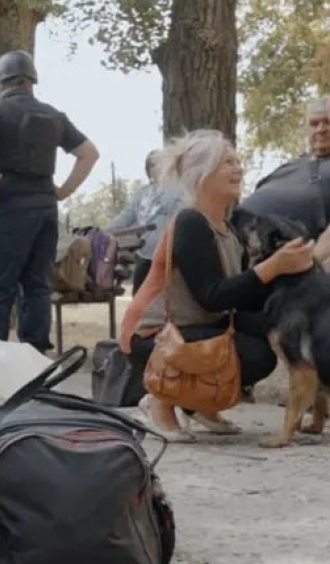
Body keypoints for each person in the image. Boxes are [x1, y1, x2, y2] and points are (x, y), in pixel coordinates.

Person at [119, 129, 315, 442]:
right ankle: (160, 399)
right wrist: (274, 267)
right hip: (153, 336)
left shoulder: (227, 227)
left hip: (194, 326)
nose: (238, 169)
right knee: (253, 355)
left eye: (238, 161)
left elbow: (242, 294)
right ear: (202, 174)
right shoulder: (190, 222)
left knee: (268, 333)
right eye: (227, 163)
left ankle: (197, 402)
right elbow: (211, 296)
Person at [0, 49, 99, 352]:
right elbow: (89, 154)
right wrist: (63, 191)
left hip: (7, 209)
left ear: (1, 81)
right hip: (45, 210)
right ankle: (35, 358)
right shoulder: (54, 115)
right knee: (37, 286)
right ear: (31, 81)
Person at [245, 96, 329, 242]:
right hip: (236, 241)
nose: (320, 129)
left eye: (328, 122)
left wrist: (316, 255)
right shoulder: (287, 167)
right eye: (314, 124)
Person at [106, 150, 184, 293]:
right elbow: (125, 217)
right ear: (148, 170)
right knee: (139, 297)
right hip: (144, 255)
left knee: (164, 298)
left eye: (161, 163)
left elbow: (182, 219)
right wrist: (104, 231)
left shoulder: (179, 191)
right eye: (153, 164)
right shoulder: (141, 194)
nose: (157, 167)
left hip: (169, 257)